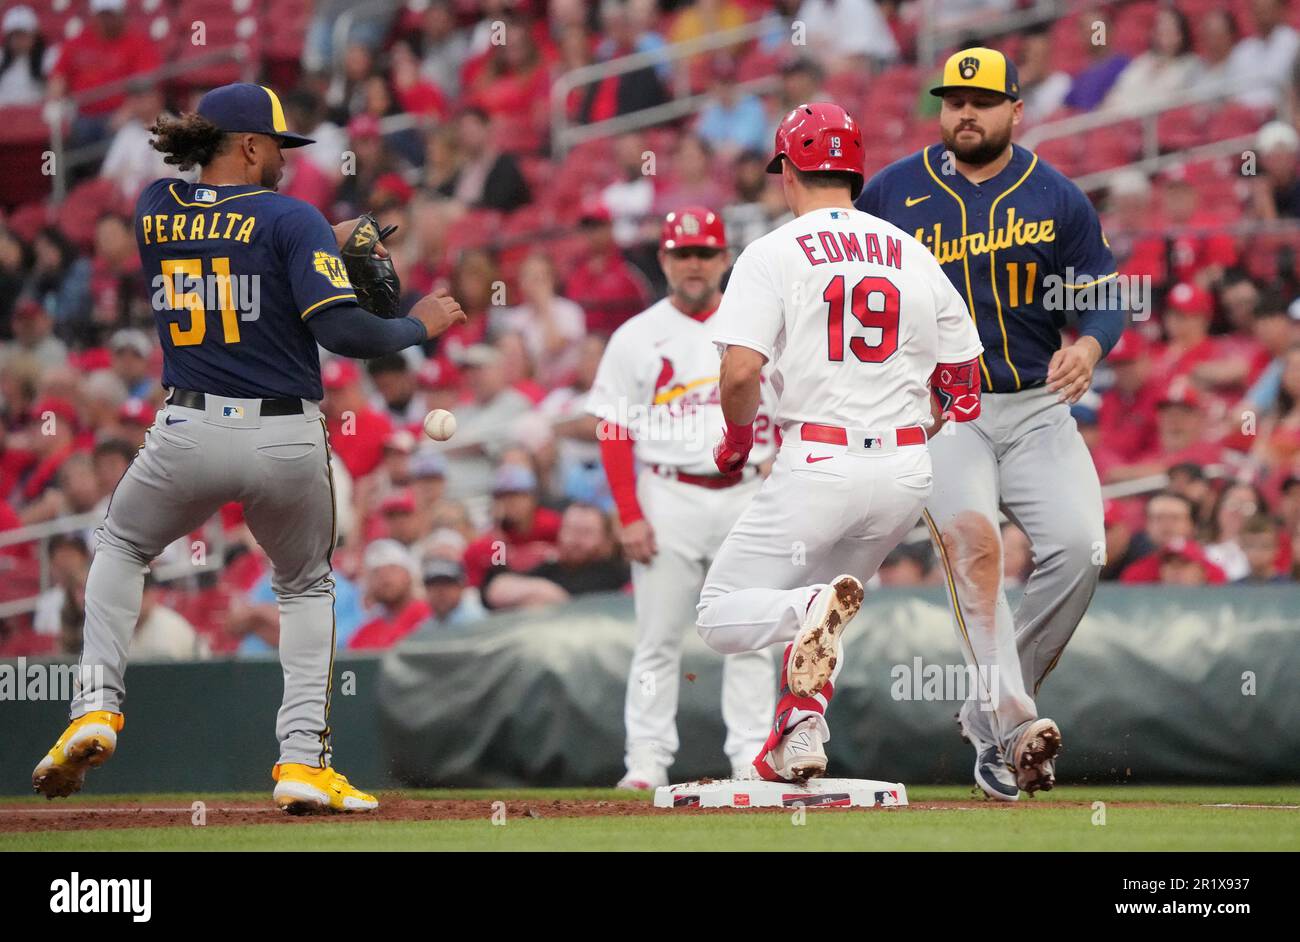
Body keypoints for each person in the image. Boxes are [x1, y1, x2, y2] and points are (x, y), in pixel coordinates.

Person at [30, 82, 467, 814]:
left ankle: (95, 707)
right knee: (304, 586)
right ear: (251, 146)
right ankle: (301, 759)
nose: (285, 163)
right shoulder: (292, 219)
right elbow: (346, 333)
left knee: (120, 547)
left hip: (187, 429)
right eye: (278, 149)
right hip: (285, 436)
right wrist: (418, 324)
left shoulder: (153, 211)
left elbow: (235, 242)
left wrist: (318, 239)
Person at [858, 47, 1125, 799]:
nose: (964, 113)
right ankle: (1011, 726)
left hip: (1037, 404)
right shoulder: (894, 192)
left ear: (1016, 109)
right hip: (946, 414)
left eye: (981, 100)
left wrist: (1094, 343)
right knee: (977, 555)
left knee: (1081, 550)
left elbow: (1106, 294)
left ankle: (987, 712)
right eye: (953, 100)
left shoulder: (1058, 197)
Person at [695, 102, 984, 785]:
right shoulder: (912, 251)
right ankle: (799, 738)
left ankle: (806, 611)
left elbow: (740, 373)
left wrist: (738, 440)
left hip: (820, 459)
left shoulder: (771, 251)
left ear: (789, 171)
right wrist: (919, 424)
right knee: (835, 600)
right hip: (905, 468)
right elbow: (965, 385)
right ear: (854, 173)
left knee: (720, 616)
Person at [586, 207, 777, 789]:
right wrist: (628, 513)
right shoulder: (637, 335)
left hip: (747, 492)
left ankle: (750, 756)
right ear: (665, 260)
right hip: (667, 492)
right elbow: (615, 427)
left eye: (705, 253)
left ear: (724, 259)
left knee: (751, 636)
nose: (694, 264)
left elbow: (793, 409)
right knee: (658, 638)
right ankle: (645, 761)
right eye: (683, 253)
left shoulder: (758, 325)